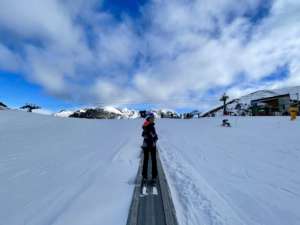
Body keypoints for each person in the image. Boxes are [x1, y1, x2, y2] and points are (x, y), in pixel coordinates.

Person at [141, 112, 158, 184]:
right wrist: (153, 138)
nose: (153, 119)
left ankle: (147, 176)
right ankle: (150, 177)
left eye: (153, 118)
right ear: (149, 118)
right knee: (150, 161)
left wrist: (155, 138)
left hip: (150, 145)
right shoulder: (148, 125)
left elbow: (154, 136)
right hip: (149, 145)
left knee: (148, 160)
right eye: (152, 118)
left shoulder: (149, 125)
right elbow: (144, 134)